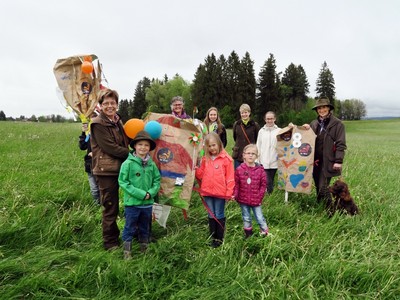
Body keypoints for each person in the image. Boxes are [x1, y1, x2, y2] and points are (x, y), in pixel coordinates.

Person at [90, 89, 130, 251]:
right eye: (105, 103)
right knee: (110, 206)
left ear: (117, 105)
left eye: (112, 103)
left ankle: (131, 233)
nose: (109, 106)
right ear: (100, 106)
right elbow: (110, 147)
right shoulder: (98, 123)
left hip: (121, 168)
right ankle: (110, 243)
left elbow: (125, 142)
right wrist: (133, 155)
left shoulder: (118, 121)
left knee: (131, 203)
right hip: (106, 171)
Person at [118, 130, 161, 259]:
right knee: (130, 227)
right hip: (132, 204)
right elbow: (123, 182)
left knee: (145, 227)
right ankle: (127, 251)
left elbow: (157, 181)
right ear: (135, 146)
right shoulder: (128, 164)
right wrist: (141, 194)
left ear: (149, 148)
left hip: (147, 204)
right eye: (140, 144)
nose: (143, 147)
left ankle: (144, 247)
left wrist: (150, 193)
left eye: (146, 145)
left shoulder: (151, 165)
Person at [303, 97, 347, 212]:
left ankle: (330, 211)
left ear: (328, 108)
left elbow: (340, 144)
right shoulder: (314, 123)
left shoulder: (338, 124)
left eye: (324, 107)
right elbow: (308, 139)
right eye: (319, 108)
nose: (321, 110)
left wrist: (338, 161)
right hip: (315, 161)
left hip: (329, 160)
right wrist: (306, 129)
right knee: (318, 185)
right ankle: (320, 206)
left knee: (323, 187)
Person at [195, 132, 234, 247]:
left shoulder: (226, 159)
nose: (212, 148)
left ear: (219, 144)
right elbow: (201, 175)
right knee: (211, 214)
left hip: (220, 193)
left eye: (214, 145)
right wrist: (195, 169)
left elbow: (230, 178)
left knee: (219, 213)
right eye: (209, 146)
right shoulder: (205, 159)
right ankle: (213, 238)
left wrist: (228, 193)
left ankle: (219, 239)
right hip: (207, 192)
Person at [233, 144, 268, 238]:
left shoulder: (260, 170)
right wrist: (235, 195)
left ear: (257, 156)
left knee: (260, 218)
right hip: (243, 199)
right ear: (243, 155)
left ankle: (264, 233)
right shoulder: (239, 170)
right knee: (246, 217)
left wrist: (259, 196)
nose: (250, 155)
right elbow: (236, 184)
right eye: (248, 153)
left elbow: (263, 185)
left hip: (256, 200)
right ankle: (248, 234)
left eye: (253, 153)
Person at [256, 111, 281, 194]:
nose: (269, 121)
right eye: (267, 119)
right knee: (268, 181)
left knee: (271, 180)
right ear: (265, 119)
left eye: (271, 119)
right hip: (264, 162)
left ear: (275, 119)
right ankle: (269, 195)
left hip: (275, 162)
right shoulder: (261, 131)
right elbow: (258, 146)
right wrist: (257, 160)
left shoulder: (279, 131)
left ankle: (267, 194)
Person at [232, 104, 260, 169]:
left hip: (250, 155)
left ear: (249, 113)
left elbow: (257, 139)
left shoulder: (255, 125)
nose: (244, 114)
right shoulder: (236, 124)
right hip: (238, 154)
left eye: (245, 112)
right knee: (238, 175)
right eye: (242, 113)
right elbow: (235, 137)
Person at [78, 123, 100, 205]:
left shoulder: (103, 136)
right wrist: (83, 132)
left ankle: (103, 206)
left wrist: (96, 153)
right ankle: (97, 205)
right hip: (90, 166)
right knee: (94, 189)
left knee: (101, 187)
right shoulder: (89, 136)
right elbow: (82, 146)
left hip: (101, 166)